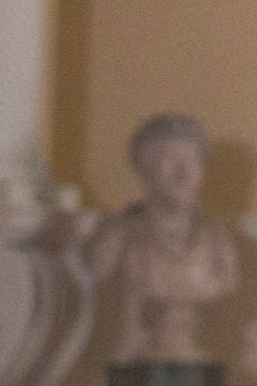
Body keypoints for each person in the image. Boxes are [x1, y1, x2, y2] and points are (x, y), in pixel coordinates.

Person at [83, 111, 240, 364]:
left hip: (194, 362)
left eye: (193, 160)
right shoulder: (116, 240)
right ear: (145, 168)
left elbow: (226, 284)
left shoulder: (219, 242)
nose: (184, 173)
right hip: (137, 359)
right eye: (172, 160)